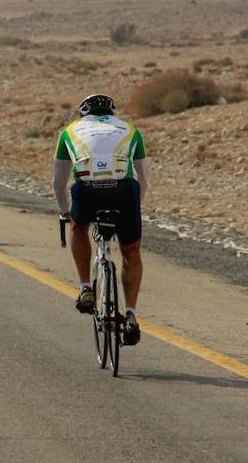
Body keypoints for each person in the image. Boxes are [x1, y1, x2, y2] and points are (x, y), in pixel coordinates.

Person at [51, 93, 148, 346]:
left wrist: (65, 212)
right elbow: (143, 179)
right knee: (131, 251)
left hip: (87, 190)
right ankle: (131, 315)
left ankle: (85, 288)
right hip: (124, 191)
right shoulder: (130, 129)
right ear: (112, 113)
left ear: (83, 113)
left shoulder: (69, 131)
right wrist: (135, 209)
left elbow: (59, 182)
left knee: (79, 227)